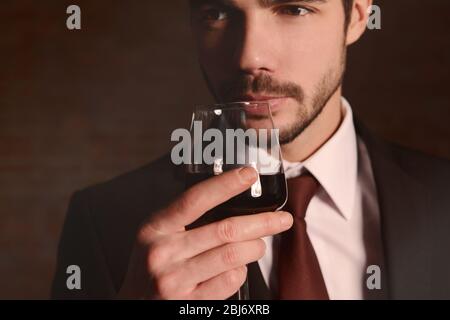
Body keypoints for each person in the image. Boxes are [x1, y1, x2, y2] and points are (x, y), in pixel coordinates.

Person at [52, 0, 450, 299]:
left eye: (293, 9)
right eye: (217, 13)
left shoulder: (441, 199)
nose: (249, 58)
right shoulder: (104, 221)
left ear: (359, 14)